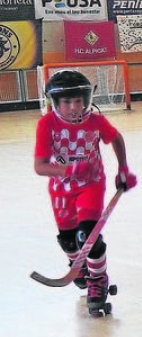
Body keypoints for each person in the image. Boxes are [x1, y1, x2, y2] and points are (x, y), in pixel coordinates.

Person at [32, 70, 136, 317]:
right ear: (55, 103)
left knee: (87, 236)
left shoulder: (96, 122)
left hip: (91, 184)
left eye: (78, 100)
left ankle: (98, 279)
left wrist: (123, 168)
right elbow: (40, 166)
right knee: (68, 241)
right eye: (67, 102)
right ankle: (78, 267)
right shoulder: (47, 124)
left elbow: (116, 138)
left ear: (87, 99)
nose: (73, 107)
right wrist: (71, 168)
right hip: (61, 189)